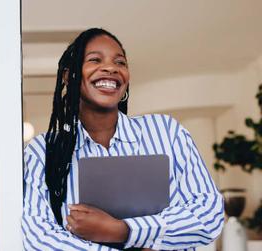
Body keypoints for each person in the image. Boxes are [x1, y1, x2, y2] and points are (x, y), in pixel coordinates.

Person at [21, 28, 224, 251]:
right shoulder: (44, 151)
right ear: (70, 76)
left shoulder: (167, 132)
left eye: (120, 62)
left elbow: (208, 214)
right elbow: (37, 236)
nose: (110, 68)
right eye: (95, 60)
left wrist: (121, 230)